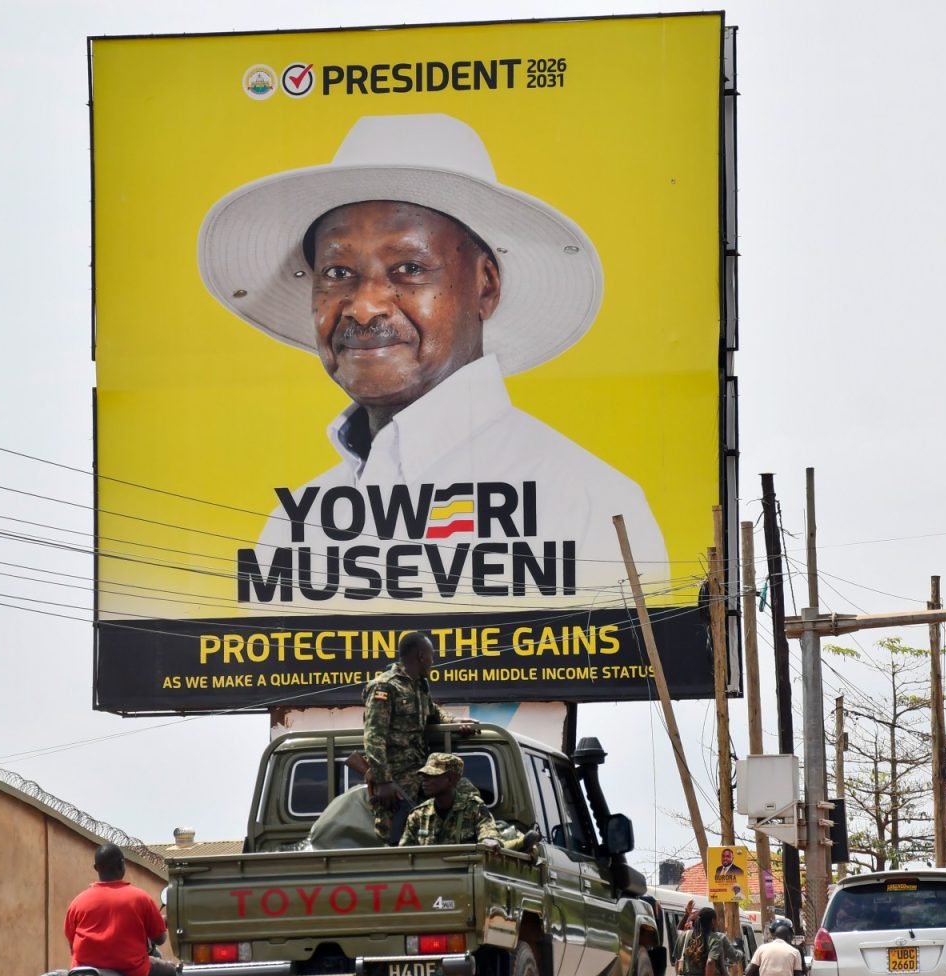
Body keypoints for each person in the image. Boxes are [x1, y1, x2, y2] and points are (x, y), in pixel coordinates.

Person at [198, 113, 670, 608]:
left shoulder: (585, 502)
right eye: (337, 272)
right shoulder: (297, 525)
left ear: (485, 286)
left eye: (408, 267)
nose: (364, 307)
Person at [353, 632, 477, 845]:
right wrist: (383, 781)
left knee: (464, 793)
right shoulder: (385, 686)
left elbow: (434, 713)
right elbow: (374, 738)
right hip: (396, 779)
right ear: (421, 656)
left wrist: (457, 722)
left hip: (421, 772)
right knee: (396, 837)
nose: (432, 661)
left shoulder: (418, 687)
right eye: (431, 656)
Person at [64, 843, 181, 976]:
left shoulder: (77, 903)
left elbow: (71, 941)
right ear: (122, 866)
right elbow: (159, 938)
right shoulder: (139, 898)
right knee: (170, 974)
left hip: (85, 972)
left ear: (96, 868)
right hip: (130, 971)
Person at [399, 753, 501, 847]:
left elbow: (488, 832)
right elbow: (404, 852)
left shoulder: (473, 807)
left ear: (451, 779)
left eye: (431, 775)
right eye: (424, 776)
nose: (424, 781)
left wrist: (489, 840)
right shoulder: (418, 814)